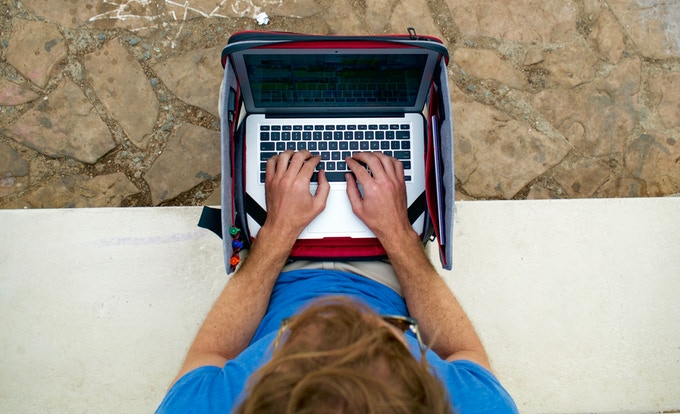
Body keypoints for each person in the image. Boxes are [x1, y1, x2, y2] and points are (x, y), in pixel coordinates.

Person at [156, 151, 518, 413]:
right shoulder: (474, 407)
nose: (338, 309)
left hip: (275, 272)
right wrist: (397, 233)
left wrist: (277, 232)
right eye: (387, 334)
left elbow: (210, 355)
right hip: (390, 268)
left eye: (294, 338)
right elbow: (463, 353)